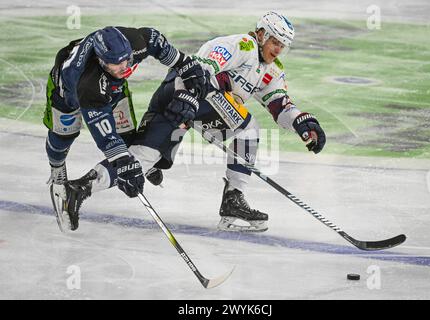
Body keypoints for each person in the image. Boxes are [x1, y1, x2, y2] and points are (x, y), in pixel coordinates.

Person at [66, 11, 326, 232]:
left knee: (146, 157)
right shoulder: (242, 45)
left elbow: (279, 104)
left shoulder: (273, 70)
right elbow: (199, 66)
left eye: (283, 44)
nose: (278, 48)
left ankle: (80, 188)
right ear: (260, 34)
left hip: (194, 105)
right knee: (248, 130)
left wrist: (302, 122)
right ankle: (234, 197)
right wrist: (187, 97)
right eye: (274, 41)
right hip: (182, 93)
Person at [44, 26, 209, 231]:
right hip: (67, 94)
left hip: (112, 89)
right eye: (116, 64)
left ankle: (141, 161)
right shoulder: (88, 85)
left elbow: (174, 56)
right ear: (101, 62)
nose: (124, 67)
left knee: (129, 138)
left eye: (127, 60)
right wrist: (123, 164)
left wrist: (188, 68)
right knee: (63, 137)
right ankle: (57, 171)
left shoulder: (139, 41)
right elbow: (107, 137)